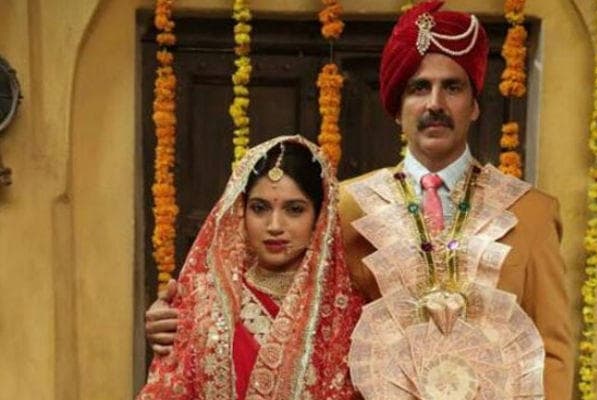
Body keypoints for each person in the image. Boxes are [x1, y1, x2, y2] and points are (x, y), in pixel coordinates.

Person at [146, 1, 574, 398]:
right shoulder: (346, 206)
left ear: (475, 105)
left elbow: (554, 353)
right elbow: (280, 297)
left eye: (453, 87)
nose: (435, 103)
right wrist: (179, 319)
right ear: (396, 108)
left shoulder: (531, 213)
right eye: (419, 88)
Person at [138, 135, 363, 399]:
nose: (275, 226)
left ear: (319, 217)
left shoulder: (346, 312)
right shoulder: (202, 301)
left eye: (294, 209)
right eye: (259, 208)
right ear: (240, 212)